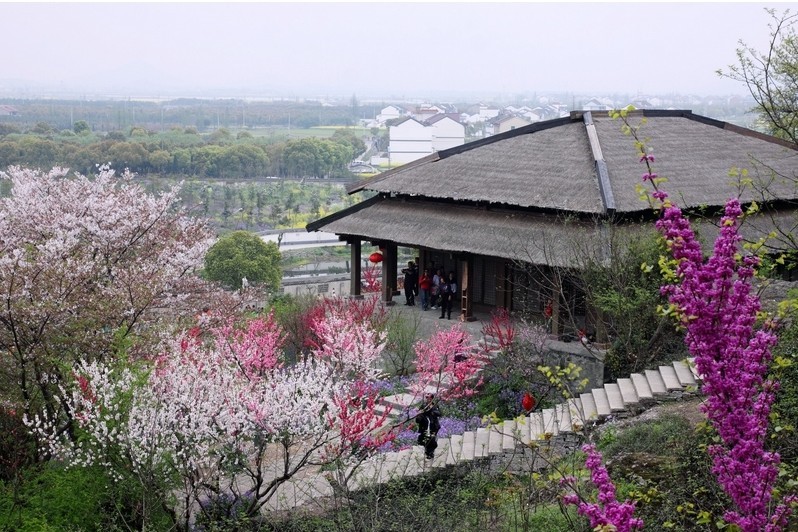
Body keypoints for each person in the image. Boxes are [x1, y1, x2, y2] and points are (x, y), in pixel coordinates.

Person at [415, 393, 441, 460]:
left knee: (431, 440)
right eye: (426, 397)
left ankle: (430, 453)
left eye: (428, 398)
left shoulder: (434, 405)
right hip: (425, 426)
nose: (427, 399)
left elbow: (439, 413)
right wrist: (419, 417)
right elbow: (419, 415)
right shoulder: (423, 405)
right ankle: (427, 452)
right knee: (424, 439)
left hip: (433, 426)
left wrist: (432, 412)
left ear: (431, 398)